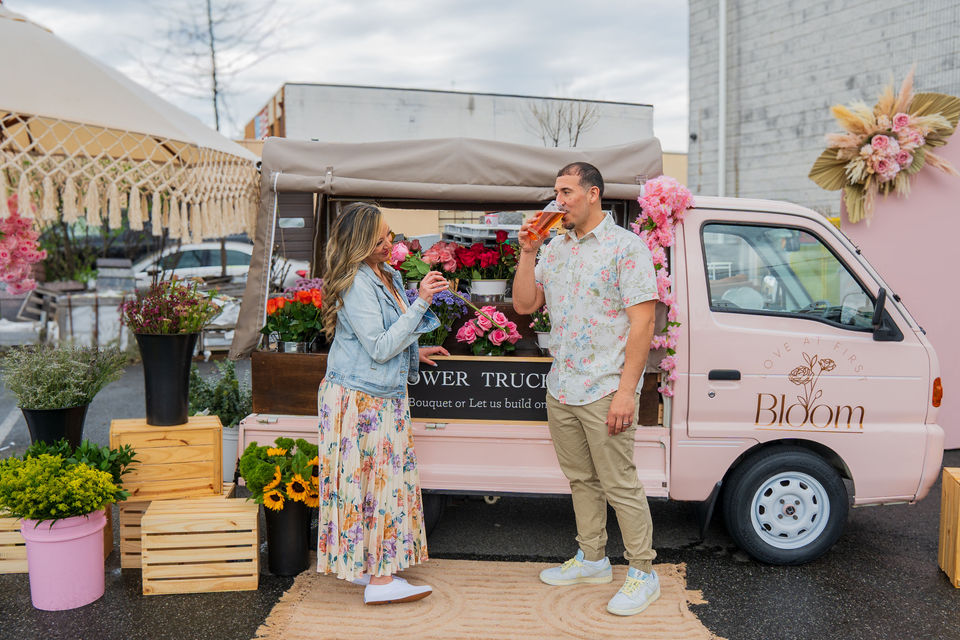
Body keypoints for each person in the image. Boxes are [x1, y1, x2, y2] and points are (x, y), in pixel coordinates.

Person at [513, 162, 661, 616]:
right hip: (562, 387)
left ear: (593, 193)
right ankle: (593, 558)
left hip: (605, 388)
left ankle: (643, 572)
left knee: (619, 483)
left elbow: (644, 323)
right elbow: (524, 304)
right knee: (581, 480)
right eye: (556, 192)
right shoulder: (555, 247)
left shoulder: (626, 247)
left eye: (566, 192)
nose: (558, 201)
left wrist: (626, 392)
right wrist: (527, 253)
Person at [317, 202, 450, 605]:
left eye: (389, 234)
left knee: (371, 485)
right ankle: (381, 581)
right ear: (360, 242)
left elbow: (384, 338)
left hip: (377, 394)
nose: (389, 243)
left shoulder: (385, 273)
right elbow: (378, 347)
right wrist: (422, 301)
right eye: (380, 238)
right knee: (378, 484)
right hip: (361, 399)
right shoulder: (358, 281)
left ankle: (365, 567)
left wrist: (414, 353)